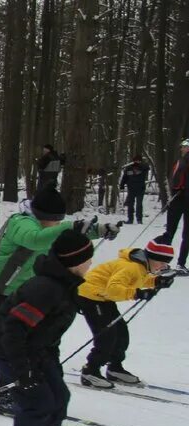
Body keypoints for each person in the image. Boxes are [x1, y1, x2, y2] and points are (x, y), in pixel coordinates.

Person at [0, 185, 118, 411]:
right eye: (54, 220)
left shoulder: (49, 228)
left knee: (28, 341)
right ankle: (4, 394)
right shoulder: (21, 223)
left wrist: (98, 230)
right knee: (12, 341)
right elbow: (36, 239)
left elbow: (66, 237)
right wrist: (70, 225)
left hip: (22, 293)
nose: (55, 224)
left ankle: (16, 389)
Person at [0, 230, 95, 426]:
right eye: (88, 259)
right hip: (11, 351)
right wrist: (23, 371)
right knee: (38, 404)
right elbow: (14, 329)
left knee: (59, 397)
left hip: (38, 351)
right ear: (75, 262)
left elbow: (49, 327)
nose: (91, 264)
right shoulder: (45, 288)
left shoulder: (64, 284)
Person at [76, 239, 173, 389]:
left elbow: (138, 279)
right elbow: (113, 289)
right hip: (90, 296)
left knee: (121, 333)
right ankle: (90, 370)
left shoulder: (140, 267)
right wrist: (136, 293)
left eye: (166, 263)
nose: (163, 266)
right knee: (107, 334)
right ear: (150, 257)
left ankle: (115, 368)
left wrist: (156, 281)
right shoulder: (131, 267)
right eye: (161, 262)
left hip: (102, 297)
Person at [159, 138, 189, 274]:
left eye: (184, 147)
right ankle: (180, 264)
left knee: (170, 231)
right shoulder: (181, 161)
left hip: (179, 198)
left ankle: (161, 262)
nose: (182, 149)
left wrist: (176, 189)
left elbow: (174, 179)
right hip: (181, 198)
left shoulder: (181, 162)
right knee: (186, 234)